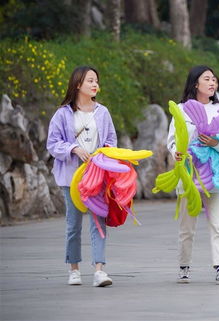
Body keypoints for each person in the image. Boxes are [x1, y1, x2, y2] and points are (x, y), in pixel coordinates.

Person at [47, 66, 117, 287]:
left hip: (97, 175)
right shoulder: (62, 114)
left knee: (98, 221)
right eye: (90, 81)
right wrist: (73, 149)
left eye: (96, 81)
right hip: (71, 177)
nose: (95, 84)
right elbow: (52, 144)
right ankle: (74, 269)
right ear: (78, 84)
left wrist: (103, 153)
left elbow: (112, 141)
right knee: (73, 224)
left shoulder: (103, 112)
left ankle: (99, 270)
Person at [167, 65, 219, 285]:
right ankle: (184, 265)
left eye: (214, 80)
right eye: (207, 79)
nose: (212, 83)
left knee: (218, 223)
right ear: (195, 83)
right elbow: (171, 140)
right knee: (187, 227)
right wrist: (177, 153)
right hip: (189, 173)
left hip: (214, 174)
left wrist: (215, 143)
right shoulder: (181, 109)